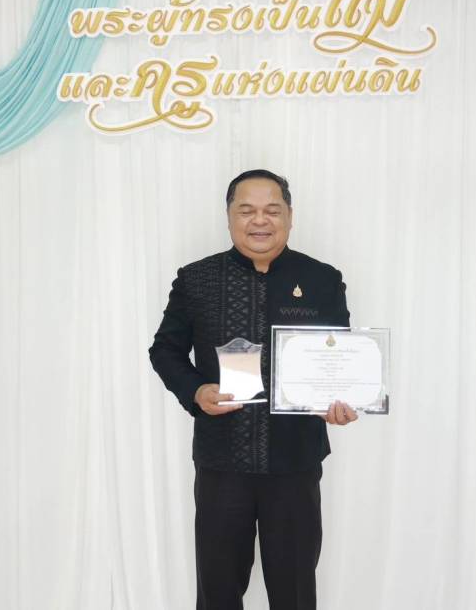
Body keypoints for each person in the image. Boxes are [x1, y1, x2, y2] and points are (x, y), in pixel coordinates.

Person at [149, 169, 359, 610]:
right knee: (218, 591)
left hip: (295, 461)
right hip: (222, 462)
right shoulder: (196, 279)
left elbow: (340, 356)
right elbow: (164, 350)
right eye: (246, 210)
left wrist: (338, 401)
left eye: (272, 210)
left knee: (295, 591)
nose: (259, 220)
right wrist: (196, 391)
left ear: (289, 217)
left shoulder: (321, 279)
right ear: (229, 216)